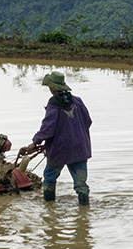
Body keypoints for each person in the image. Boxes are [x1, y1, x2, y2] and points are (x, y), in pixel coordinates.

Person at [19, 71, 92, 205]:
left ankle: (49, 209)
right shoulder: (78, 101)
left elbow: (47, 129)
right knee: (81, 184)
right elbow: (88, 121)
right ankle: (84, 212)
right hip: (80, 149)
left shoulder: (54, 105)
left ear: (52, 88)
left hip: (60, 150)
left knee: (49, 178)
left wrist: (34, 143)